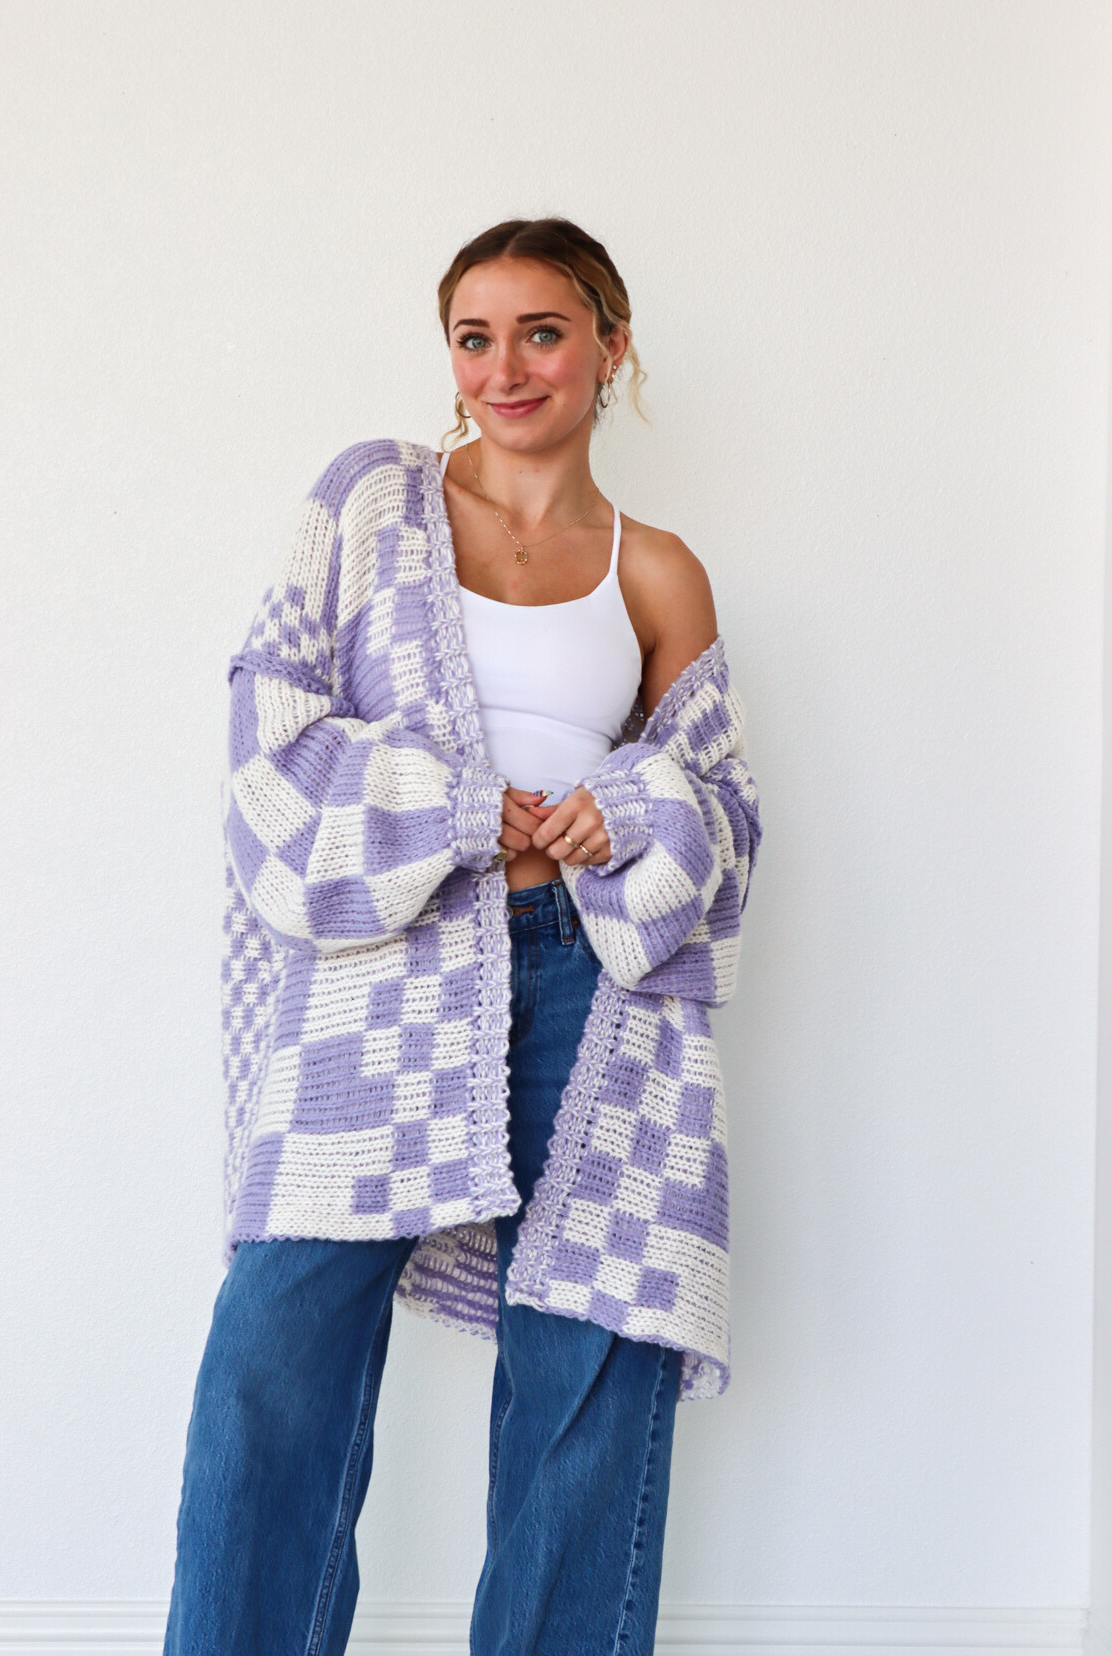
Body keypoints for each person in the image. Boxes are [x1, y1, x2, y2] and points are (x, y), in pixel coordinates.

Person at [163, 217, 761, 1656]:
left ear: (611, 346)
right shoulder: (372, 503)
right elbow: (268, 734)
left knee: (585, 1376)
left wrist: (618, 813)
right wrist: (457, 809)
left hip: (585, 982)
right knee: (275, 1354)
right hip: (380, 975)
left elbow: (727, 825)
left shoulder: (659, 569)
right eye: (474, 336)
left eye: (542, 331)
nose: (505, 367)